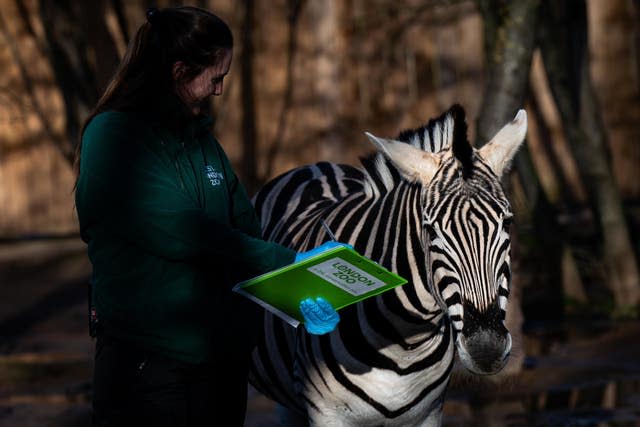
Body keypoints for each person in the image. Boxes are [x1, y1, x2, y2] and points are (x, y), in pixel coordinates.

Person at [74, 6, 341, 427]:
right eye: (216, 78)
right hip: (149, 364)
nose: (219, 90)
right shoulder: (114, 138)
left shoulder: (202, 144)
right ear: (180, 71)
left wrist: (300, 291)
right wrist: (288, 263)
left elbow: (244, 229)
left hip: (220, 364)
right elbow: (182, 232)